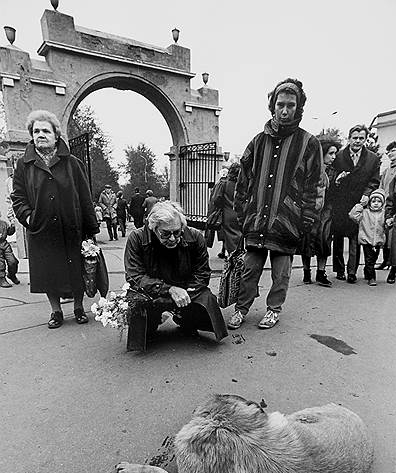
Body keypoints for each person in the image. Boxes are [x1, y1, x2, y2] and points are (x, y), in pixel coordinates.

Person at [228, 78, 323, 330]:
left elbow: (314, 184)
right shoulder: (258, 141)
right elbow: (243, 179)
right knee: (249, 269)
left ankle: (273, 309)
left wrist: (307, 217)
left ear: (298, 108)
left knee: (281, 274)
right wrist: (241, 211)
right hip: (257, 218)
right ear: (272, 106)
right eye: (280, 104)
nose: (284, 110)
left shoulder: (309, 143)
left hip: (288, 221)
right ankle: (241, 308)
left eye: (291, 105)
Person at [11, 110, 99, 328]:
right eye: (36, 131)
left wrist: (90, 230)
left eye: (45, 131)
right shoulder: (24, 165)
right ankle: (56, 311)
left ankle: (78, 308)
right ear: (32, 135)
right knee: (48, 271)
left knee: (76, 268)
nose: (40, 134)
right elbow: (18, 196)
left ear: (56, 135)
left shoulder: (73, 163)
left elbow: (85, 196)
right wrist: (29, 218)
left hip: (72, 226)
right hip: (42, 229)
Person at [124, 200, 227, 351]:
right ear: (154, 228)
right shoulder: (137, 238)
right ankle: (153, 322)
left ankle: (185, 318)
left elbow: (202, 273)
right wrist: (169, 290)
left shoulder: (195, 237)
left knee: (207, 298)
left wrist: (185, 292)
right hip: (153, 290)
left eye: (177, 232)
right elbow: (135, 277)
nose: (172, 238)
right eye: (165, 233)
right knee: (138, 308)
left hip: (186, 289)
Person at [328, 124, 380, 284]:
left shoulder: (372, 158)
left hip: (358, 204)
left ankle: (352, 271)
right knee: (337, 237)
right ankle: (339, 270)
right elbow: (331, 173)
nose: (357, 141)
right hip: (340, 202)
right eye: (355, 138)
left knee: (354, 238)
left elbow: (374, 180)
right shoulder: (339, 156)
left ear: (365, 139)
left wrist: (366, 194)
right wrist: (337, 180)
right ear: (349, 138)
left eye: (361, 138)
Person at [301, 137, 341, 287]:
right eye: (330, 153)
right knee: (306, 242)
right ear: (322, 153)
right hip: (310, 210)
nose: (333, 157)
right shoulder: (310, 169)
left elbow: (334, 196)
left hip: (325, 212)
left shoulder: (333, 172)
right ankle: (306, 272)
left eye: (335, 154)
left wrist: (336, 184)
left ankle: (321, 272)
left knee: (324, 241)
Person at [376, 140, 396, 269]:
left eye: (393, 150)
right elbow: (381, 186)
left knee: (395, 236)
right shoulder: (387, 170)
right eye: (388, 151)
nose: (389, 154)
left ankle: (394, 263)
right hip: (386, 204)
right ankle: (385, 260)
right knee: (385, 233)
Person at [348, 188, 386, 286]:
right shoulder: (365, 213)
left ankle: (367, 270)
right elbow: (352, 215)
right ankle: (371, 277)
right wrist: (361, 205)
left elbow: (386, 224)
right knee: (369, 260)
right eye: (373, 201)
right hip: (366, 240)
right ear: (369, 203)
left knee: (373, 259)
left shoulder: (383, 214)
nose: (376, 203)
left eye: (379, 201)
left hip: (378, 241)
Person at [0, 210, 19, 288]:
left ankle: (11, 274)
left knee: (13, 261)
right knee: (0, 263)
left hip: (5, 245)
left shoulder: (3, 223)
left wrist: (13, 226)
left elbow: (9, 232)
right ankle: (2, 278)